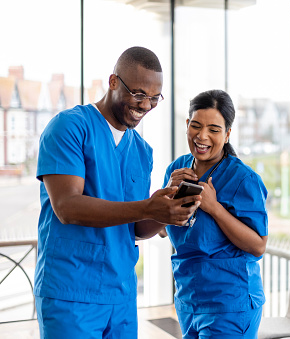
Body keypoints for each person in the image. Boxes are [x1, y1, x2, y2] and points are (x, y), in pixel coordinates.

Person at [34, 46, 201, 339]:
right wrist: (147, 207)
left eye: (154, 98)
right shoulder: (69, 128)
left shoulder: (141, 150)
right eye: (138, 94)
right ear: (113, 82)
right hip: (71, 293)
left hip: (121, 295)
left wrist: (166, 209)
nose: (146, 105)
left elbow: (136, 228)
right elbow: (67, 207)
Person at [160, 89, 268, 338]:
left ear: (227, 133)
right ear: (187, 125)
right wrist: (167, 194)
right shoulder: (176, 170)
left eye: (214, 130)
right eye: (196, 126)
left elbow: (258, 246)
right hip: (189, 299)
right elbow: (162, 232)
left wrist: (214, 208)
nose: (202, 136)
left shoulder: (243, 179)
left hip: (230, 302)